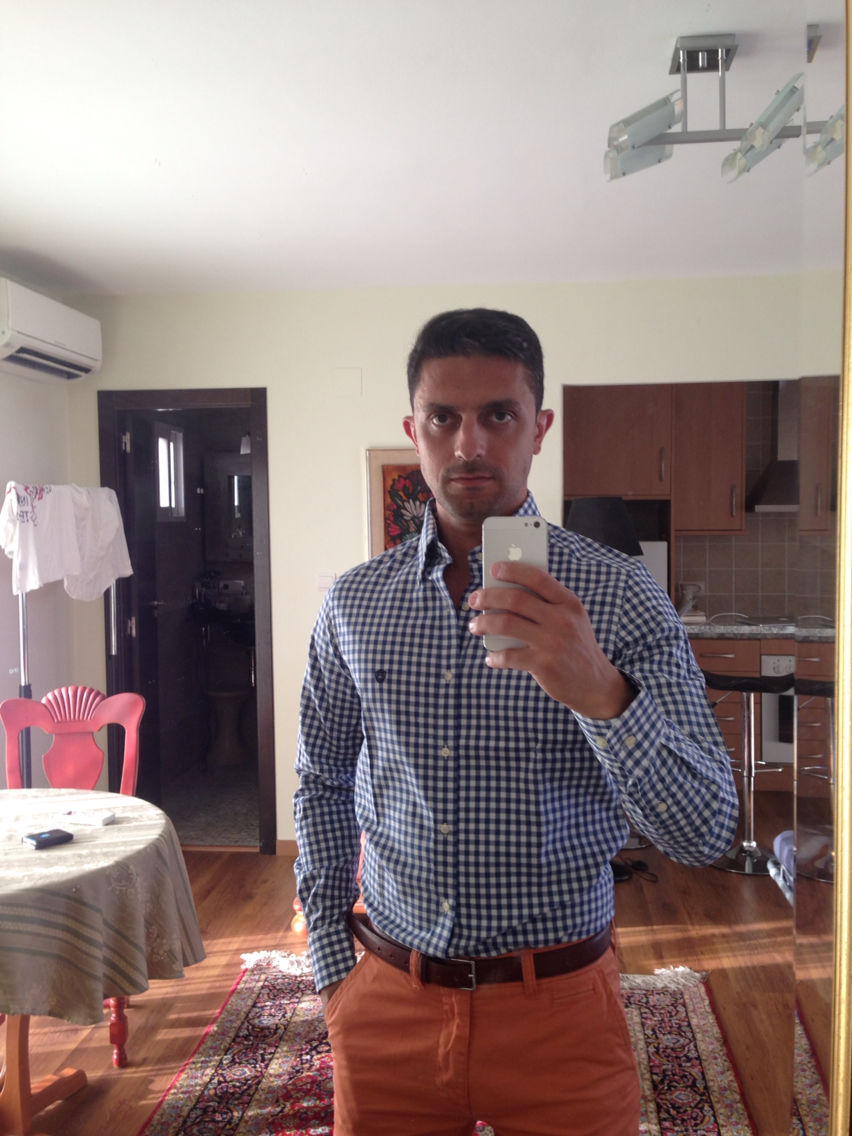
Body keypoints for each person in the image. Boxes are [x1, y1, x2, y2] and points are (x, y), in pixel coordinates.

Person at [294, 307, 738, 1136]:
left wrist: (601, 693)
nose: (469, 444)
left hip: (561, 1016)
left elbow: (706, 830)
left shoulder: (620, 596)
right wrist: (330, 963)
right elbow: (320, 778)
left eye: (498, 414)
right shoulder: (354, 604)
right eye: (443, 418)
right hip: (387, 1004)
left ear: (539, 428)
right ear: (414, 431)